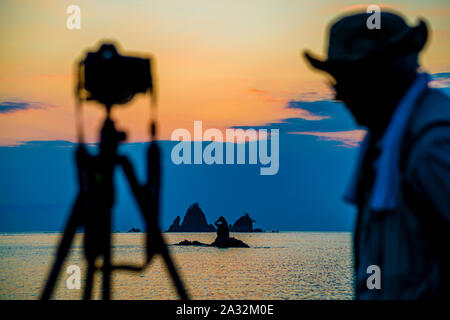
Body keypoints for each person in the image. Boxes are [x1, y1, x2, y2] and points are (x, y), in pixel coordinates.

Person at [304, 11, 450, 299]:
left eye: (343, 82)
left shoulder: (431, 147)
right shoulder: (388, 145)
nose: (338, 96)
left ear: (377, 77)